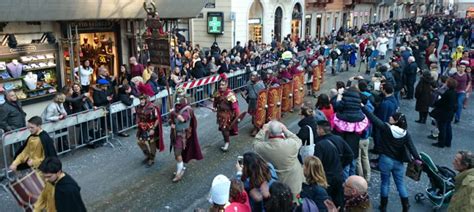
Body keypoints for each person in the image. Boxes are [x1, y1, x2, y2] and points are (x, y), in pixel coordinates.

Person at [361, 107, 420, 212]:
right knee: (400, 185)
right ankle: (406, 206)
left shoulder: (386, 128)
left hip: (385, 160)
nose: (390, 117)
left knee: (385, 183)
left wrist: (363, 107)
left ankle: (383, 206)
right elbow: (412, 149)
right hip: (399, 162)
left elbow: (373, 119)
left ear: (396, 121)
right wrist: (418, 160)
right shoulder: (405, 134)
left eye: (392, 117)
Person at [253, 121, 304, 201]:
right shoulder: (291, 144)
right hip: (293, 182)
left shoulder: (262, 148)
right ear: (281, 132)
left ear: (269, 132)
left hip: (274, 185)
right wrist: (285, 130)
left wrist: (263, 130)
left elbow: (256, 143)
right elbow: (298, 140)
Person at [313, 120, 353, 209]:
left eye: (317, 129)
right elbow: (350, 155)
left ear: (321, 130)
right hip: (339, 174)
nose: (316, 131)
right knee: (338, 199)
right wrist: (341, 165)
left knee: (326, 201)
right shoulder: (338, 138)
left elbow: (316, 163)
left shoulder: (320, 144)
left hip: (326, 176)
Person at [169, 89, 203, 182]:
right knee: (176, 154)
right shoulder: (177, 106)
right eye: (178, 95)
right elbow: (173, 119)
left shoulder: (187, 109)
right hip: (175, 133)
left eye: (180, 96)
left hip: (182, 135)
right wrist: (171, 122)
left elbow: (182, 119)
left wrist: (173, 113)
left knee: (177, 153)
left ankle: (179, 171)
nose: (178, 98)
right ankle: (180, 167)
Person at [135, 94, 165, 167]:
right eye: (140, 100)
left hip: (151, 127)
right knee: (140, 142)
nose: (141, 101)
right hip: (142, 127)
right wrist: (138, 124)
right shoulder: (138, 107)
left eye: (142, 100)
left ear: (146, 99)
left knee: (152, 143)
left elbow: (157, 118)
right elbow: (138, 116)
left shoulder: (152, 107)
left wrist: (153, 128)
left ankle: (152, 158)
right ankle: (148, 155)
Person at [212, 77, 240, 152]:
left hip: (228, 115)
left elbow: (235, 107)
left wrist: (238, 116)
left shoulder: (230, 94)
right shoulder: (217, 92)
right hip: (220, 114)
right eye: (220, 84)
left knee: (225, 129)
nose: (221, 86)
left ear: (226, 85)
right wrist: (214, 108)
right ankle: (226, 141)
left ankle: (227, 143)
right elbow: (215, 102)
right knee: (222, 129)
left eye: (223, 85)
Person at [431, 78, 458, 148]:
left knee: (442, 127)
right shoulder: (454, 92)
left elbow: (441, 102)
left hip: (444, 113)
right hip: (450, 113)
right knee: (448, 127)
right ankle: (448, 142)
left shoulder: (448, 93)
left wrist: (435, 103)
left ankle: (441, 142)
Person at [243, 71, 265, 136]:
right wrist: (244, 93)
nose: (252, 77)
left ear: (257, 77)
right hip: (251, 101)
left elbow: (263, 94)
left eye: (253, 76)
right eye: (251, 76)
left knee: (257, 115)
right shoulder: (249, 83)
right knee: (253, 115)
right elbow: (247, 89)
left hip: (258, 101)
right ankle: (255, 127)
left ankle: (257, 128)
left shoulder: (260, 84)